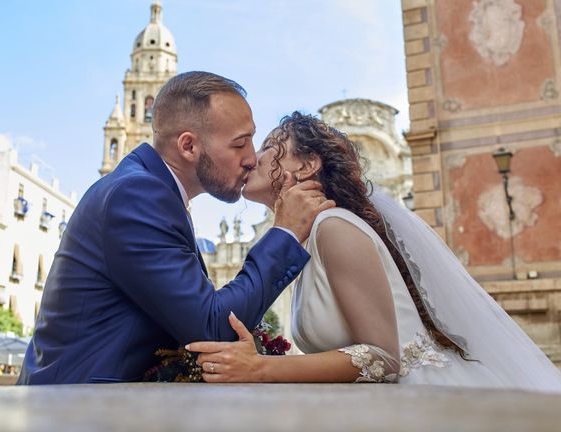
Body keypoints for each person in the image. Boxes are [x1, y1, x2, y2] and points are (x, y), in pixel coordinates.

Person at [187, 112, 561, 393]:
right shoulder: (309, 237)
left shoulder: (333, 227)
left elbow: (383, 359)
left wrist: (259, 368)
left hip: (430, 402)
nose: (253, 158)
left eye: (269, 147)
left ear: (308, 165)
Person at [17, 73, 334, 385]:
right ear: (188, 146)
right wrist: (286, 232)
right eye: (240, 144)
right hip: (75, 412)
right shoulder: (137, 197)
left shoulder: (148, 191)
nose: (253, 159)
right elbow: (211, 328)